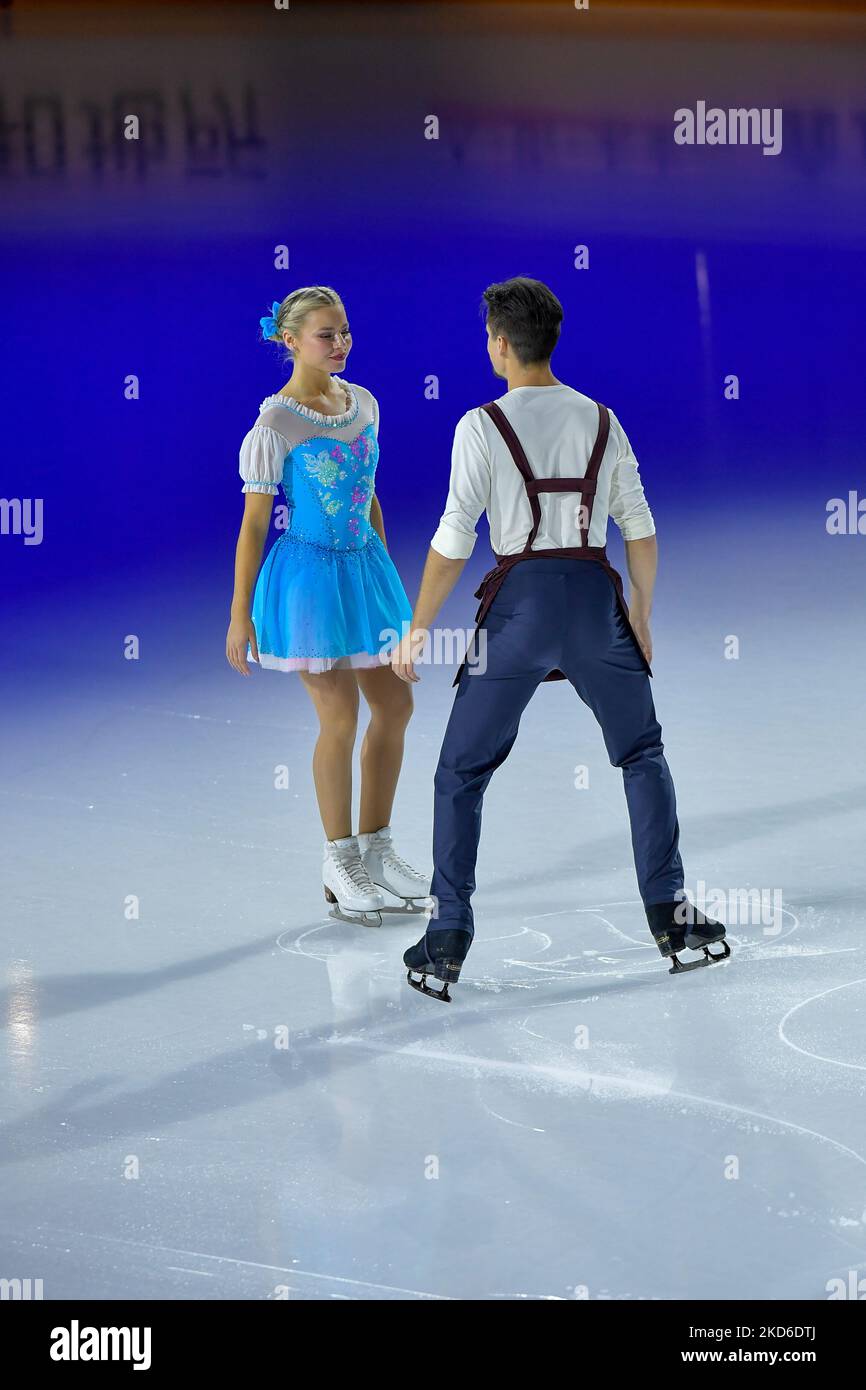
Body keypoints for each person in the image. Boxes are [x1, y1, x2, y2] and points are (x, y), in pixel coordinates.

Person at [391, 276, 728, 1000]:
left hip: (520, 611)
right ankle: (673, 919)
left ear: (503, 345)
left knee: (461, 771)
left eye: (488, 338)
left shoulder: (480, 425)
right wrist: (639, 610)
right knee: (642, 754)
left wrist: (418, 629)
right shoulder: (602, 419)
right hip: (594, 601)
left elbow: (454, 539)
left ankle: (447, 935)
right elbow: (639, 527)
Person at [226, 286, 433, 928]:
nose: (340, 343)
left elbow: (369, 496)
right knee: (340, 716)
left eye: (344, 331)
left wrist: (384, 575)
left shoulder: (363, 403)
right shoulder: (275, 424)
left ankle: (376, 847)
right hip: (309, 582)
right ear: (289, 341)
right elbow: (254, 526)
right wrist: (240, 615)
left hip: (365, 571)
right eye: (325, 334)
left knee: (395, 704)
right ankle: (337, 860)